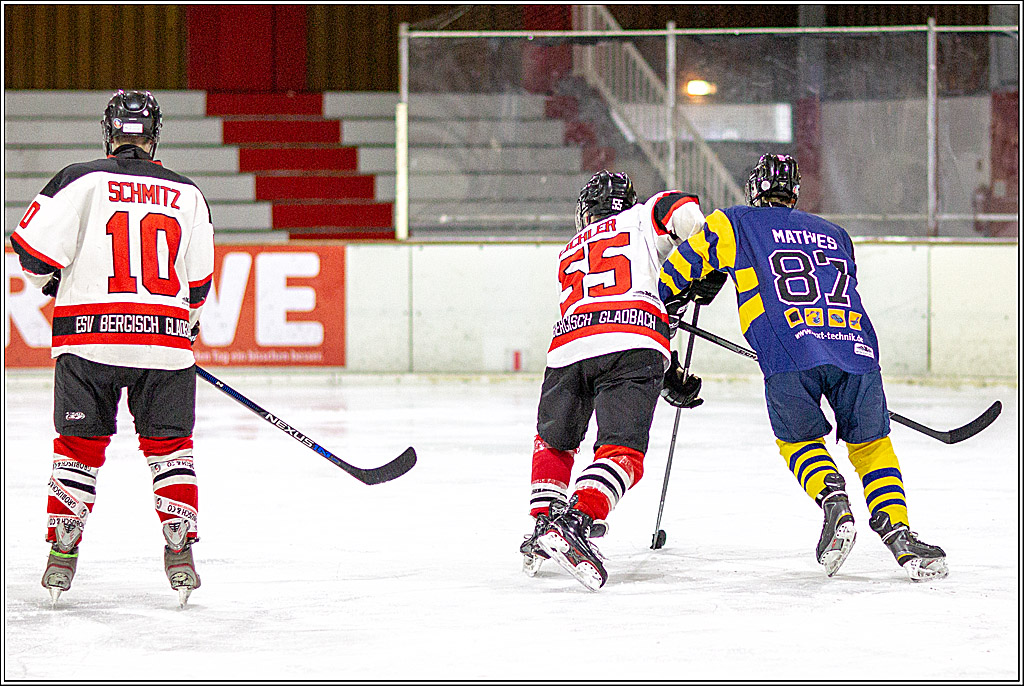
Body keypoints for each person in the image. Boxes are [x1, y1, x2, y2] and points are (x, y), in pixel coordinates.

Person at [658, 153, 947, 582]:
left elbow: (676, 271)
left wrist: (678, 297)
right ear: (795, 193)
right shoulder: (837, 234)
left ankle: (834, 502)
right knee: (871, 445)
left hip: (789, 350)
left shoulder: (735, 221)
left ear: (755, 189)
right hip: (856, 348)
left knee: (800, 439)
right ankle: (899, 532)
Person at [10, 90, 216, 605]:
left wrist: (58, 283)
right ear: (154, 134)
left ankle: (63, 544)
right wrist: (178, 326)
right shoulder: (189, 192)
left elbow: (31, 253)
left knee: (80, 446)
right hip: (165, 344)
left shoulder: (80, 178)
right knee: (170, 446)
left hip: (88, 337)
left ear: (109, 132)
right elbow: (198, 286)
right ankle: (179, 541)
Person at [520, 170, 723, 591]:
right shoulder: (640, 217)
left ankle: (545, 522)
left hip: (568, 348)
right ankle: (577, 519)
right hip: (632, 344)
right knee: (622, 451)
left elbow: (614, 306)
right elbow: (682, 210)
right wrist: (704, 260)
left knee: (555, 442)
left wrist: (668, 372)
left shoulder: (568, 251)